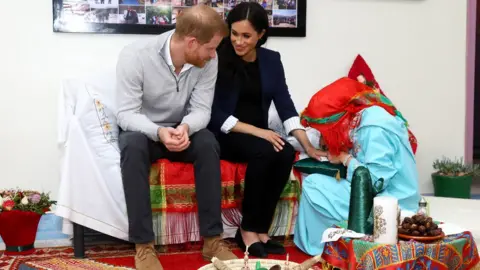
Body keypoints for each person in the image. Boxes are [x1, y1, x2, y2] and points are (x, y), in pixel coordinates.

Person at [115, 5, 236, 270]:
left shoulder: (207, 62)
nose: (214, 54)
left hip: (181, 130)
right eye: (211, 48)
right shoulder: (135, 56)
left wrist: (186, 128)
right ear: (192, 42)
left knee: (207, 143)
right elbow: (126, 114)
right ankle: (144, 246)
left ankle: (212, 241)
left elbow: (202, 110)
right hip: (144, 130)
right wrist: (157, 131)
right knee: (131, 145)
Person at [208, 2, 325, 258]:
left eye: (246, 36)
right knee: (265, 150)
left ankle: (261, 229)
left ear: (261, 34)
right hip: (225, 132)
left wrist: (307, 146)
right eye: (234, 33)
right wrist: (258, 132)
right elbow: (214, 112)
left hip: (257, 135)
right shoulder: (217, 57)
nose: (238, 41)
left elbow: (285, 104)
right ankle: (247, 229)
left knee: (284, 153)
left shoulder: (271, 60)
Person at [293, 77, 421, 255]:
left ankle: (330, 247)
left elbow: (376, 181)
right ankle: (330, 244)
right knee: (316, 183)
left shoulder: (373, 127)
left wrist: (345, 159)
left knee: (315, 185)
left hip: (391, 202)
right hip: (378, 194)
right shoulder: (364, 116)